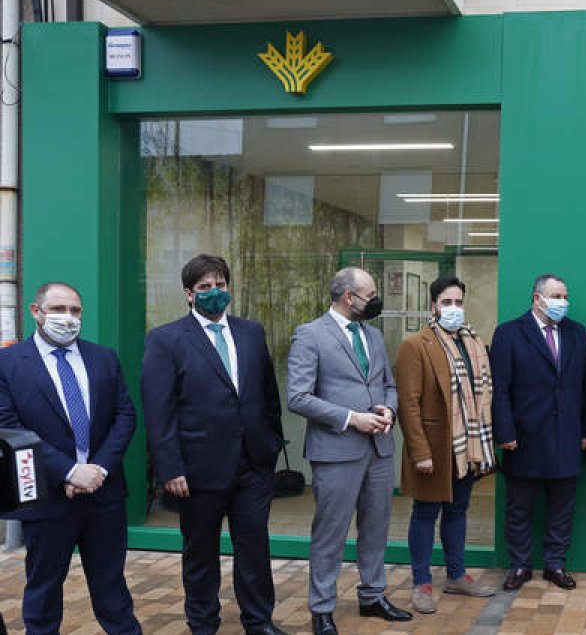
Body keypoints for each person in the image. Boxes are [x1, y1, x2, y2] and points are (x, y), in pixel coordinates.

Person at [142, 254, 288, 635]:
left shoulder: (251, 332)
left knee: (255, 550)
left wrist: (270, 446)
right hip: (197, 470)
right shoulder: (166, 339)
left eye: (220, 285)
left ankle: (259, 622)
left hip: (253, 466)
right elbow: (159, 411)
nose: (214, 292)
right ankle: (203, 624)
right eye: (205, 287)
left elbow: (268, 396)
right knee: (200, 554)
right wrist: (170, 467)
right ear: (189, 294)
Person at [0, 283, 141, 635]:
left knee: (113, 590)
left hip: (104, 495)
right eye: (59, 309)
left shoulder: (104, 357)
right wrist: (70, 471)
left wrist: (98, 470)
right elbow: (9, 426)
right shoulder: (8, 364)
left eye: (75, 310)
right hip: (48, 498)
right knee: (44, 591)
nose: (68, 318)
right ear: (36, 311)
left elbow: (125, 416)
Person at [287, 267, 409, 635]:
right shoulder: (310, 335)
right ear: (347, 297)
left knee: (376, 528)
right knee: (331, 533)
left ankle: (372, 595)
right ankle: (321, 608)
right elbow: (298, 396)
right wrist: (351, 418)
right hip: (336, 450)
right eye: (370, 295)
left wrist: (390, 407)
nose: (375, 301)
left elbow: (388, 383)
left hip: (379, 449)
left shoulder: (372, 335)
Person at [395, 276, 498, 614]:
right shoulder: (416, 344)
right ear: (434, 306)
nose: (453, 308)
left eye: (458, 302)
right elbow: (408, 403)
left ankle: (456, 574)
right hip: (435, 448)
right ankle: (421, 581)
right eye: (446, 302)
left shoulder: (475, 343)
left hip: (467, 446)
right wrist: (420, 452)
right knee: (425, 513)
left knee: (457, 510)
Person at [490, 274, 586, 592]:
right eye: (555, 295)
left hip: (567, 437)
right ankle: (520, 565)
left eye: (565, 295)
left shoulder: (577, 333)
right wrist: (505, 432)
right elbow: (500, 390)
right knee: (519, 508)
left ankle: (555, 564)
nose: (562, 302)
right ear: (537, 298)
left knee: (562, 507)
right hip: (523, 438)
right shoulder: (509, 333)